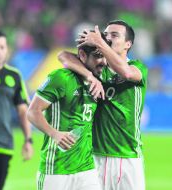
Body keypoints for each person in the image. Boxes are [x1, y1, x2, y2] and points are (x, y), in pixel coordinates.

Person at [58, 20, 148, 190]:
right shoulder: (98, 69)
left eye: (114, 35)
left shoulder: (137, 67)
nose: (107, 38)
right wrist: (89, 76)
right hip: (95, 156)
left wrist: (99, 41)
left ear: (128, 44)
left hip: (127, 156)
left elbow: (127, 73)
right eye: (105, 34)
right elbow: (63, 55)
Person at [27, 33, 110, 190]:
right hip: (56, 169)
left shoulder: (102, 78)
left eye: (104, 56)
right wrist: (55, 134)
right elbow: (32, 112)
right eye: (98, 56)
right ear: (82, 55)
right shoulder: (61, 78)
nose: (103, 62)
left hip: (87, 168)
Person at [0, 30, 33, 190]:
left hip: (4, 144)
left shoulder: (14, 76)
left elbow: (22, 111)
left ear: (6, 49)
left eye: (1, 47)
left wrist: (28, 140)